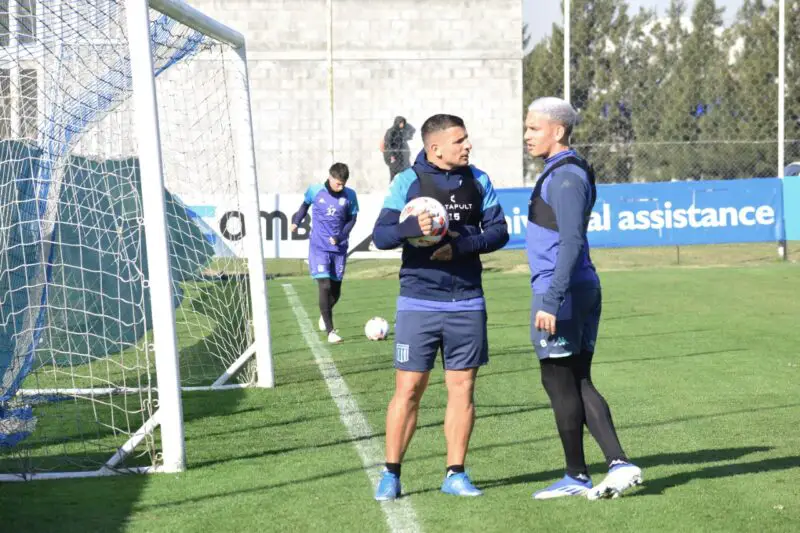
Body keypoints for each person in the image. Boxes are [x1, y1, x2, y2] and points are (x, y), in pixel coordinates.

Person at [371, 114, 509, 500]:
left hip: (467, 300)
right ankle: (391, 473)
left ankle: (456, 473)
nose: (468, 146)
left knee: (462, 389)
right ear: (436, 148)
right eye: (460, 141)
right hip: (418, 300)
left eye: (467, 139)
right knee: (409, 388)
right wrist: (412, 228)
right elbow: (381, 236)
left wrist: (461, 246)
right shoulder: (406, 182)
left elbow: (500, 232)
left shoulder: (478, 180)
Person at [523, 96, 642, 500]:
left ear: (558, 131)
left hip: (564, 291)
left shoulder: (567, 176)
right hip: (573, 288)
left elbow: (571, 241)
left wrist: (551, 299)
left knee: (560, 381)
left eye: (534, 128)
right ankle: (612, 466)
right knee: (575, 379)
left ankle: (582, 473)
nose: (527, 136)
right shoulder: (561, 171)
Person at [290, 162, 358, 344]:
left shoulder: (350, 195)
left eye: (343, 183)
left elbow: (352, 218)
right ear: (330, 177)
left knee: (336, 290)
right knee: (325, 285)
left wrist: (341, 235)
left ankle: (324, 313)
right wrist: (297, 221)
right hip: (318, 247)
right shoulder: (315, 190)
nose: (341, 186)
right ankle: (330, 331)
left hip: (339, 248)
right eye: (338, 183)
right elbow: (304, 206)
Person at [381, 116, 415, 182]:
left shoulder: (402, 132)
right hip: (394, 158)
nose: (402, 124)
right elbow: (388, 145)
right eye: (400, 123)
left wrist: (406, 124)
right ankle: (393, 190)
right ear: (397, 122)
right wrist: (392, 156)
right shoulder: (391, 131)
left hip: (402, 158)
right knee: (394, 175)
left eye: (403, 123)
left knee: (406, 174)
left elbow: (412, 129)